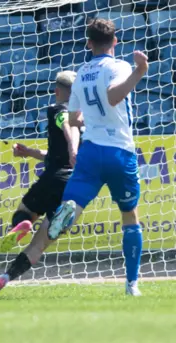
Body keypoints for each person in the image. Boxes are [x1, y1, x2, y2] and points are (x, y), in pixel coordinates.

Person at [46, 18, 147, 296]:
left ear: (89, 43)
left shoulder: (81, 73)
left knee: (75, 202)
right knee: (129, 215)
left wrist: (88, 124)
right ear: (115, 41)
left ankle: (68, 211)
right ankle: (132, 284)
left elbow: (75, 117)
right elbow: (115, 96)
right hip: (119, 150)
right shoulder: (120, 66)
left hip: (90, 150)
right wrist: (140, 70)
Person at [0, 71, 83, 297]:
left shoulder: (59, 110)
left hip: (53, 178)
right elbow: (56, 153)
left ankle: (22, 224)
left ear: (57, 91)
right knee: (39, 245)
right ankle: (5, 278)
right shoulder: (87, 120)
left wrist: (71, 144)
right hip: (74, 186)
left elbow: (65, 124)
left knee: (24, 211)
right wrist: (29, 152)